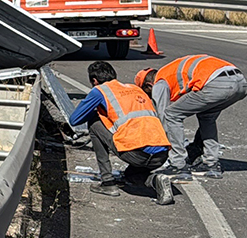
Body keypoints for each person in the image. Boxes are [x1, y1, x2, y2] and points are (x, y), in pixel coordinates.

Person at [69, 60, 173, 204]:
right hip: (160, 155)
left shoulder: (100, 90)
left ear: (94, 80)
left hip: (134, 154)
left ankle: (107, 183)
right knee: (130, 176)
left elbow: (75, 120)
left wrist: (95, 109)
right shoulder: (136, 88)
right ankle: (156, 181)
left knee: (94, 122)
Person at [138, 54, 246, 180]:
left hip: (217, 84)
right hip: (240, 82)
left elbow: (163, 116)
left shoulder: (160, 81)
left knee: (171, 114)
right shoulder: (172, 69)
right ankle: (211, 163)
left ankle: (178, 165)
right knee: (207, 116)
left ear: (149, 86)